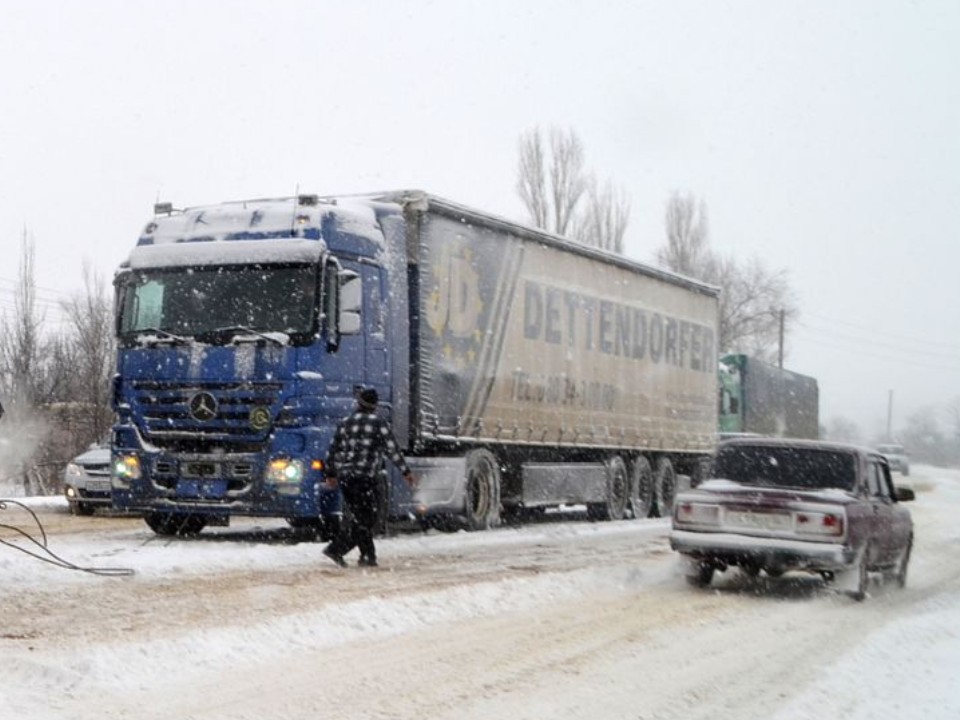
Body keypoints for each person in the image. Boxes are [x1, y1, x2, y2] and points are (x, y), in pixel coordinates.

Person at [322, 388, 416, 568]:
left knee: (361, 517)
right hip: (364, 478)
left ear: (359, 403)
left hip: (346, 478)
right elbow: (392, 450)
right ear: (375, 405)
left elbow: (333, 450)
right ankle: (337, 549)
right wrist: (406, 472)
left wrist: (331, 474)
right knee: (367, 519)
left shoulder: (346, 422)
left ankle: (368, 556)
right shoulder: (378, 423)